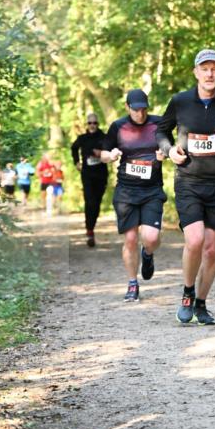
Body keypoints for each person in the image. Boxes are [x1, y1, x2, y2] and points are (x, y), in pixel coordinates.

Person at [157, 48, 215, 325]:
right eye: (205, 68)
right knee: (195, 240)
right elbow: (161, 131)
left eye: (214, 69)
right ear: (196, 72)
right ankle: (187, 294)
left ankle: (201, 304)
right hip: (188, 180)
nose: (210, 74)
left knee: (211, 249)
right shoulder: (181, 101)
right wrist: (168, 149)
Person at [99, 89, 167, 302]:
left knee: (151, 237)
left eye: (144, 109)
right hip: (126, 191)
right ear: (127, 107)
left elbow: (169, 147)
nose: (140, 113)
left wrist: (163, 154)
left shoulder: (158, 124)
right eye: (136, 109)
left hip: (152, 190)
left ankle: (148, 254)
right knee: (130, 239)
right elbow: (103, 153)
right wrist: (110, 155)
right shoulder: (118, 127)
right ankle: (132, 283)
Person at [71, 114, 108, 247]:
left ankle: (92, 227)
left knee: (97, 204)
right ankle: (89, 231)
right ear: (87, 124)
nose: (92, 125)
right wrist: (76, 162)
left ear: (98, 124)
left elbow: (112, 149)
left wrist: (103, 153)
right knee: (89, 201)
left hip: (101, 175)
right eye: (90, 123)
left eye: (95, 123)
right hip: (87, 175)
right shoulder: (82, 138)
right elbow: (73, 148)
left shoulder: (104, 137)